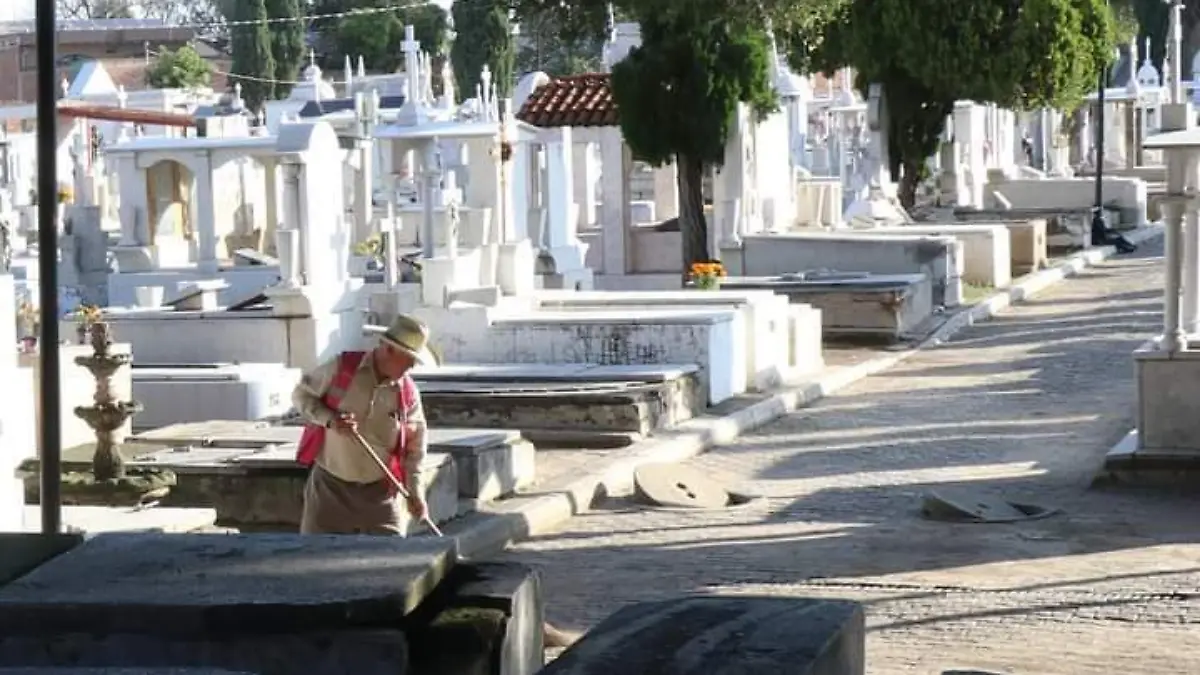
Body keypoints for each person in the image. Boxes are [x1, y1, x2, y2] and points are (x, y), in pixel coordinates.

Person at [292, 314, 432, 535]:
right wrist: (331, 420)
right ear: (389, 350)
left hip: (382, 493)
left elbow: (415, 449)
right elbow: (302, 395)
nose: (412, 365)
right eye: (409, 357)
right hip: (330, 487)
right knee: (316, 556)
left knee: (393, 561)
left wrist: (416, 493)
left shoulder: (407, 393)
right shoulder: (341, 368)